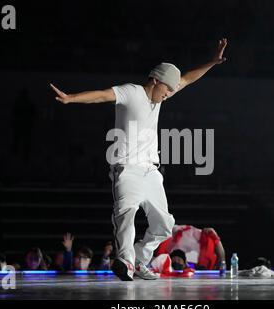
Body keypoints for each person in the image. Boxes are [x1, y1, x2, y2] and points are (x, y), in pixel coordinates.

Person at [50, 38, 228, 281]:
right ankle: (124, 261)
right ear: (155, 80)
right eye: (166, 89)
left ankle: (139, 259)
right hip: (126, 170)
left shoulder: (161, 97)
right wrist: (72, 98)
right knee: (126, 213)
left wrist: (212, 62)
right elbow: (102, 95)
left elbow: (187, 78)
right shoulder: (131, 92)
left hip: (151, 172)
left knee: (164, 225)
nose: (168, 95)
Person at [155, 225, 226, 270]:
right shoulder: (200, 267)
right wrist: (215, 238)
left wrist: (215, 238)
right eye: (177, 261)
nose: (176, 261)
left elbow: (221, 260)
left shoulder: (161, 261)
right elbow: (221, 260)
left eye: (177, 260)